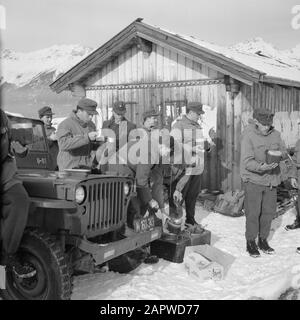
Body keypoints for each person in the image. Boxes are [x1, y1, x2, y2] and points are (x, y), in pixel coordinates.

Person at [240, 108, 286, 258]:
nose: (266, 127)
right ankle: (251, 241)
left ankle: (263, 239)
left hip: (271, 181)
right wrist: (261, 167)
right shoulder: (248, 135)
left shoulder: (276, 135)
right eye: (263, 124)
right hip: (254, 180)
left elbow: (284, 153)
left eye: (269, 124)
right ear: (256, 122)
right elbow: (246, 161)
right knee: (253, 213)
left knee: (268, 212)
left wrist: (280, 157)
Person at [0, 109, 36, 278]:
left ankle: (9, 255)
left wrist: (21, 148)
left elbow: (13, 141)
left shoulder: (2, 117)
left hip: (6, 177)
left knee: (19, 200)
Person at [170, 102, 208, 226]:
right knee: (179, 196)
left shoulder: (197, 126)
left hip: (197, 168)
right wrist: (190, 149)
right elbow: (173, 145)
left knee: (192, 196)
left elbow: (198, 144)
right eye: (198, 114)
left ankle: (190, 220)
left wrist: (206, 147)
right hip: (184, 169)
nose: (199, 116)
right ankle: (174, 222)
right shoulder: (178, 125)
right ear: (191, 112)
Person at [56, 98, 102, 171]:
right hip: (70, 170)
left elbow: (89, 146)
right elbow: (63, 144)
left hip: (86, 168)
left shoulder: (91, 125)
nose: (91, 117)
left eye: (92, 115)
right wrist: (87, 138)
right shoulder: (66, 124)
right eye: (89, 114)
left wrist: (100, 144)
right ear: (79, 111)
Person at [38, 106, 59, 170]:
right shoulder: (37, 130)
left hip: (56, 163)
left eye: (51, 117)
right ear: (41, 118)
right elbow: (38, 146)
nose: (50, 119)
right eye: (47, 117)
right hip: (44, 163)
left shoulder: (53, 129)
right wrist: (50, 139)